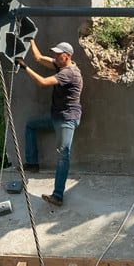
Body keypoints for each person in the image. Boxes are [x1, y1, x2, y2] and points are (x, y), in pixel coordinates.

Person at [19, 39, 83, 207]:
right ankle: (32, 163)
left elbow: (42, 82)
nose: (54, 56)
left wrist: (25, 67)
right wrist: (31, 40)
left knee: (63, 156)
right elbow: (39, 58)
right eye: (54, 53)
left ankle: (58, 196)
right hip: (56, 116)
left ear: (67, 56)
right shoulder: (61, 65)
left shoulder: (69, 73)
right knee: (31, 125)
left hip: (67, 120)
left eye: (57, 54)